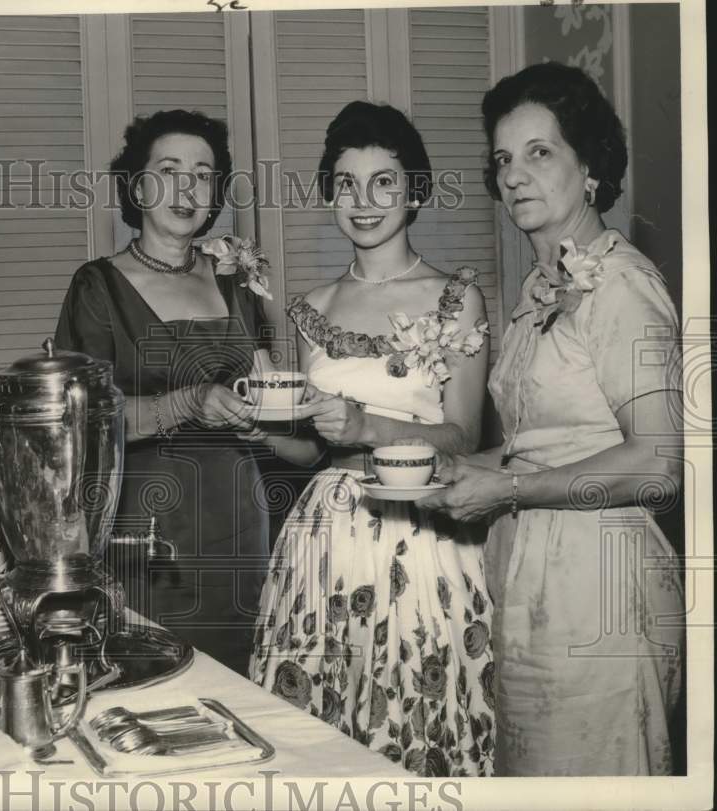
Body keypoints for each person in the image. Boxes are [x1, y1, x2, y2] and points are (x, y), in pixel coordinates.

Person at [417, 62, 684, 776]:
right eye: (503, 158)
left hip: (602, 585)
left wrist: (503, 491)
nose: (513, 174)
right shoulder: (543, 286)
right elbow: (541, 446)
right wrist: (457, 470)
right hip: (531, 576)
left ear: (590, 165)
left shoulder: (623, 285)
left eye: (540, 152)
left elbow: (660, 465)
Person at [247, 101, 495, 777]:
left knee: (417, 723)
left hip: (422, 535)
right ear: (330, 191)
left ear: (414, 190)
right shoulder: (314, 306)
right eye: (347, 183)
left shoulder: (456, 298)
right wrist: (264, 428)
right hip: (324, 539)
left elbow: (464, 437)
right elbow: (312, 450)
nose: (363, 201)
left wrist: (366, 424)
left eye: (384, 181)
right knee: (319, 746)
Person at [54, 109, 275, 676]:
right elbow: (80, 421)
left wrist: (276, 412)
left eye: (202, 174)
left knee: (240, 689)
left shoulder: (236, 280)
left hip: (238, 519)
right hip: (145, 532)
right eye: (169, 169)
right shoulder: (97, 286)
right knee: (149, 682)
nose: (187, 188)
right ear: (136, 184)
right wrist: (186, 402)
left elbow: (271, 395)